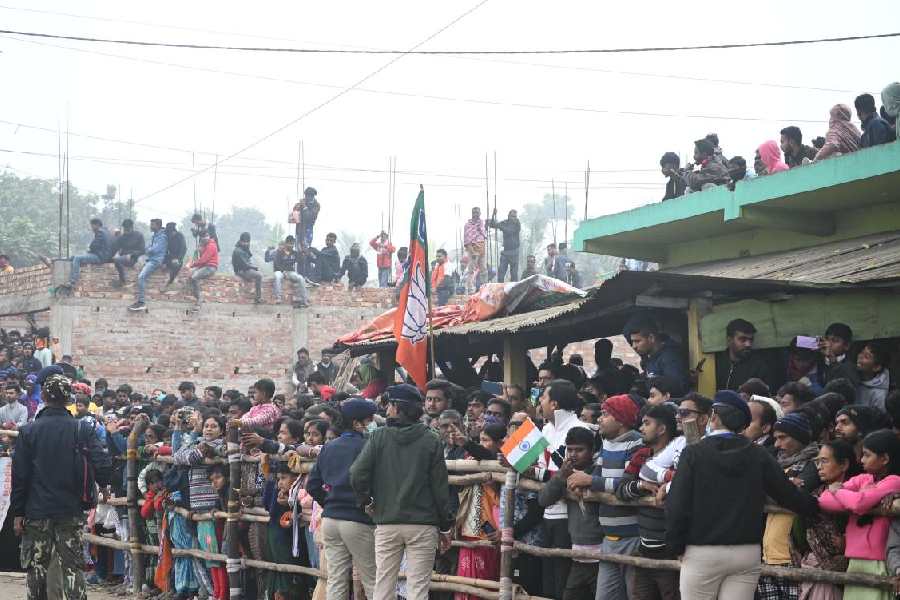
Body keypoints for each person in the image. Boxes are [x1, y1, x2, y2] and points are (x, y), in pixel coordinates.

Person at [666, 390, 819, 599]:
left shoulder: (694, 452)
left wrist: (676, 545)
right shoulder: (757, 453)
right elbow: (787, 493)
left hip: (702, 549)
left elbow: (677, 503)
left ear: (715, 417)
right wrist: (816, 505)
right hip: (746, 551)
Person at [12, 370, 112, 600]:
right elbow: (101, 459)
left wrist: (18, 512)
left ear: (44, 397)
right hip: (71, 509)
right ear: (70, 400)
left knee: (37, 566)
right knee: (72, 566)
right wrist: (105, 484)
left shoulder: (28, 431)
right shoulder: (81, 428)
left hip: (37, 511)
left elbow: (20, 476)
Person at [349, 384, 452, 600]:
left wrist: (367, 502)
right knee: (418, 589)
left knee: (383, 586)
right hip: (423, 524)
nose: (386, 410)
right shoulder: (431, 439)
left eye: (389, 405)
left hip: (387, 522)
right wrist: (445, 526)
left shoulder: (379, 437)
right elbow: (440, 488)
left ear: (398, 407)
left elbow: (357, 474)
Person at [567, 394, 642, 600]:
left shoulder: (636, 445)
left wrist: (589, 482)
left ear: (621, 420)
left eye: (606, 414)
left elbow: (626, 485)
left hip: (631, 537)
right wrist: (582, 484)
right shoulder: (607, 443)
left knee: (633, 594)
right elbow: (597, 475)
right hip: (608, 538)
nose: (600, 419)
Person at [307, 398, 378, 600]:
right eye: (369, 419)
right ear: (356, 423)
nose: (372, 423)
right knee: (372, 579)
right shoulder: (368, 447)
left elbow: (313, 484)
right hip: (357, 519)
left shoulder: (330, 446)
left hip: (330, 520)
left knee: (336, 580)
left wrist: (329, 501)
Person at [819, 429, 900, 600]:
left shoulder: (894, 481)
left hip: (878, 562)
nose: (861, 460)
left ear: (884, 459)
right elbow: (825, 500)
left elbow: (858, 503)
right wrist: (846, 496)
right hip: (854, 561)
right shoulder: (864, 479)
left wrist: (837, 490)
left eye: (867, 455)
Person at [617, 403, 681, 600]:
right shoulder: (641, 455)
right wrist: (640, 486)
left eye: (646, 423)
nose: (641, 428)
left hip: (672, 553)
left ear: (661, 429)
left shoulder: (680, 459)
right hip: (644, 551)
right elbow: (621, 489)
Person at [534, 379, 590, 600]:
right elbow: (540, 468)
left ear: (554, 404)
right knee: (547, 579)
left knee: (564, 580)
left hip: (570, 515)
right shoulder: (545, 429)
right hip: (547, 511)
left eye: (544, 397)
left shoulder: (580, 430)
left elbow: (572, 473)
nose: (540, 401)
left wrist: (541, 474)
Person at [757, 412, 821, 599]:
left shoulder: (814, 464)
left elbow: (800, 494)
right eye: (775, 439)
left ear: (799, 437)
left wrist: (771, 488)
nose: (777, 444)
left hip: (793, 555)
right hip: (767, 555)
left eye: (783, 438)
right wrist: (785, 485)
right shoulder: (775, 463)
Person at [538, 427, 603, 600]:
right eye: (570, 449)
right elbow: (543, 500)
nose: (573, 455)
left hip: (602, 556)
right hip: (577, 556)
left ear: (592, 450)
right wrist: (561, 475)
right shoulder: (566, 474)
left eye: (579, 450)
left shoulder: (600, 472)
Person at [799, 439, 858, 600]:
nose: (819, 466)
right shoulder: (816, 493)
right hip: (812, 565)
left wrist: (848, 542)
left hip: (849, 568)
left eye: (824, 461)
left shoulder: (858, 494)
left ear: (844, 464)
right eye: (817, 462)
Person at [625, 316, 688, 396]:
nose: (634, 346)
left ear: (651, 338)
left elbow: (677, 388)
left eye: (637, 341)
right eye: (632, 342)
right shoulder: (650, 358)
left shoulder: (670, 357)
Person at [716, 318, 774, 391]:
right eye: (743, 339)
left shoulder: (759, 366)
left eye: (751, 340)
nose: (748, 344)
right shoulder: (716, 364)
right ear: (729, 340)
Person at [60, 218, 112, 290]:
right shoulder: (106, 231)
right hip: (101, 255)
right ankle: (61, 259)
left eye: (92, 226)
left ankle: (73, 281)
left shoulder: (100, 232)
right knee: (74, 257)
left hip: (100, 257)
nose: (92, 228)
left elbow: (94, 245)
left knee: (77, 258)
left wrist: (90, 250)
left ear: (96, 225)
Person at [128, 218, 167, 312]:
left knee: (141, 277)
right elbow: (148, 247)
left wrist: (147, 250)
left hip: (156, 261)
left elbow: (154, 249)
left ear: (157, 226)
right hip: (150, 259)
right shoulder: (155, 235)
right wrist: (144, 250)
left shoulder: (162, 237)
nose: (150, 226)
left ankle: (141, 302)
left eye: (152, 225)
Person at [266, 235, 309, 307]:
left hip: (290, 272)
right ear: (286, 243)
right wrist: (283, 271)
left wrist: (301, 251)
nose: (291, 245)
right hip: (280, 271)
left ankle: (304, 300)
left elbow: (301, 261)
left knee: (300, 278)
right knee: (277, 276)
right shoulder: (279, 252)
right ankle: (278, 298)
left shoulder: (294, 253)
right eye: (289, 243)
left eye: (292, 244)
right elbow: (276, 264)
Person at [486, 209, 521, 282]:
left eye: (515, 216)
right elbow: (493, 225)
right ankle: (500, 289)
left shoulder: (517, 223)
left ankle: (514, 291)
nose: (513, 218)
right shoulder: (505, 222)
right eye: (512, 216)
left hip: (514, 252)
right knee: (501, 272)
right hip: (506, 252)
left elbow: (510, 231)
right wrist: (493, 215)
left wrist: (500, 227)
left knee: (514, 274)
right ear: (508, 216)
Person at [110, 218, 146, 288]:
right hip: (123, 258)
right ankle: (122, 280)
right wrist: (116, 254)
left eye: (127, 229)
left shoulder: (139, 235)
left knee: (118, 260)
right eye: (125, 229)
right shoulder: (122, 237)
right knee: (115, 259)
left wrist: (132, 254)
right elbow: (116, 248)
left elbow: (142, 250)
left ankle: (123, 281)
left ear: (131, 227)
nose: (126, 231)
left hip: (134, 258)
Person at [856, 342, 890, 411]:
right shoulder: (853, 379)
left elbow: (879, 418)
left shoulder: (879, 395)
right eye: (861, 353)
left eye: (866, 357)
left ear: (876, 367)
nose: (860, 356)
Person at [189, 232, 218, 307]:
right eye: (203, 236)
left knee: (194, 277)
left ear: (209, 236)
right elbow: (201, 260)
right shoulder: (205, 246)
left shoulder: (211, 245)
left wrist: (192, 265)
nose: (205, 238)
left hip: (210, 267)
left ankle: (199, 297)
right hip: (205, 266)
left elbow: (204, 260)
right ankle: (194, 294)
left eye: (207, 236)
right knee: (190, 274)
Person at [232, 232, 262, 304]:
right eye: (245, 242)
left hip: (246, 269)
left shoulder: (244, 248)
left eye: (247, 242)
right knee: (259, 275)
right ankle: (258, 297)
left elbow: (248, 259)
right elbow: (245, 265)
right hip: (241, 271)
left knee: (257, 273)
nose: (246, 244)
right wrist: (254, 268)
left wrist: (253, 267)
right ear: (241, 241)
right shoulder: (238, 251)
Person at [463, 207, 487, 292]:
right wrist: (472, 251)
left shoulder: (482, 223)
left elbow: (484, 235)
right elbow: (467, 239)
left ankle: (484, 288)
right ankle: (470, 289)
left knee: (483, 270)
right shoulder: (468, 225)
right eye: (474, 212)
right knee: (471, 270)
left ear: (480, 213)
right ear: (471, 213)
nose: (475, 214)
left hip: (482, 247)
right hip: (473, 248)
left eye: (477, 212)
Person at [162, 222, 187, 289]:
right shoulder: (168, 237)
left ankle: (170, 281)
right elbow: (165, 249)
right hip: (170, 256)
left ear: (173, 231)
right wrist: (164, 262)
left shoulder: (180, 236)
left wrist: (178, 259)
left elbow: (183, 248)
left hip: (178, 258)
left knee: (175, 266)